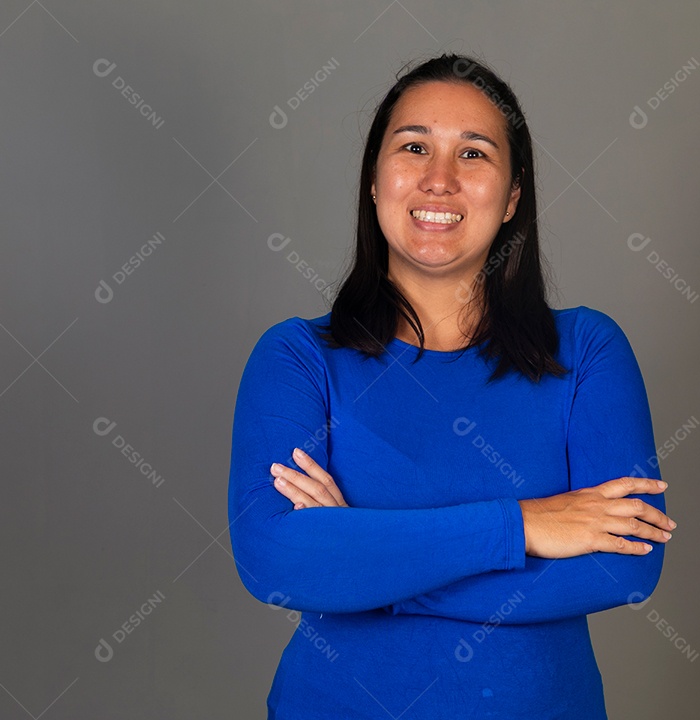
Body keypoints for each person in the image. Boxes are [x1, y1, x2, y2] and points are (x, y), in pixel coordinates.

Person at [228, 52, 677, 719]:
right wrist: (522, 525)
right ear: (375, 183)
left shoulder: (586, 351)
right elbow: (273, 562)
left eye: (473, 154)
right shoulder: (297, 359)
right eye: (414, 147)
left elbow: (626, 562)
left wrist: (362, 558)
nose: (439, 180)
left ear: (512, 198)